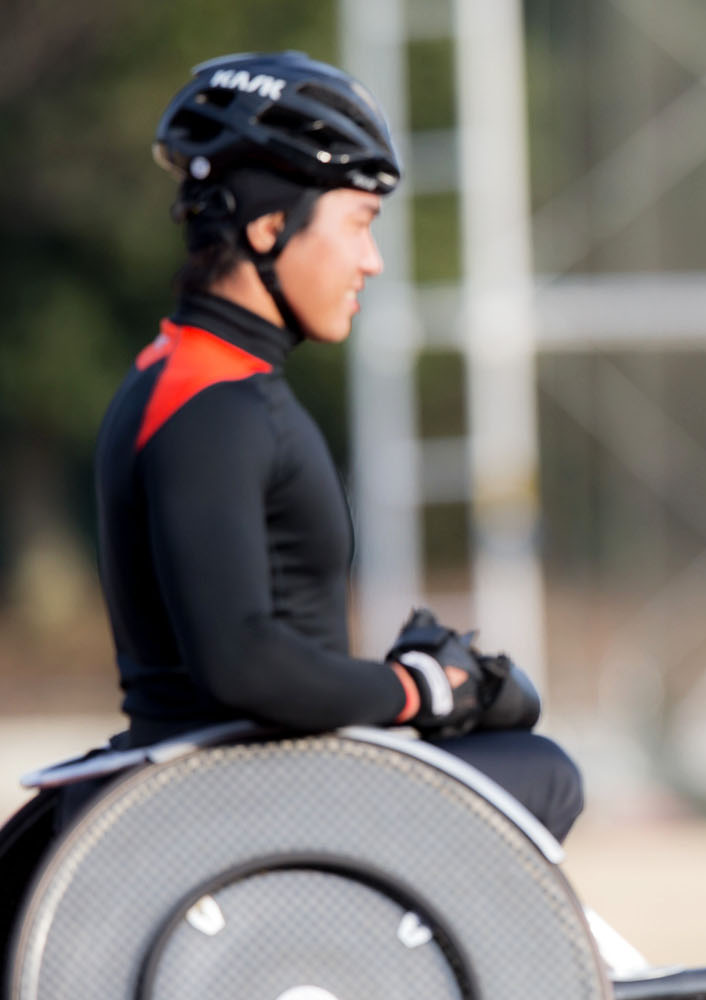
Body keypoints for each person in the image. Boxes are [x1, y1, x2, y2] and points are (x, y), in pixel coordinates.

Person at [87, 51, 582, 841]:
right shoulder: (213, 404)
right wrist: (419, 690)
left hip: (235, 786)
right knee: (543, 773)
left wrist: (408, 686)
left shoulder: (192, 379)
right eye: (358, 223)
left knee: (512, 748)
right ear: (269, 225)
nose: (371, 261)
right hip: (241, 809)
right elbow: (241, 663)